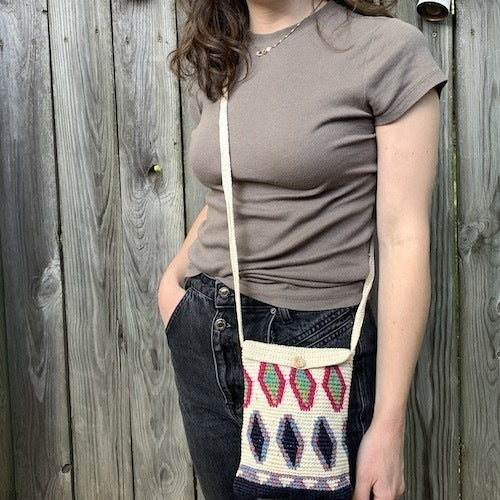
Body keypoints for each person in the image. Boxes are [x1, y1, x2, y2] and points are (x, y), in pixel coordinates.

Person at [158, 0, 448, 498]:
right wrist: (172, 286)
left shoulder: (385, 49)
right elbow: (225, 192)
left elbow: (404, 237)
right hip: (204, 328)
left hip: (313, 346)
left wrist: (389, 425)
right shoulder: (220, 54)